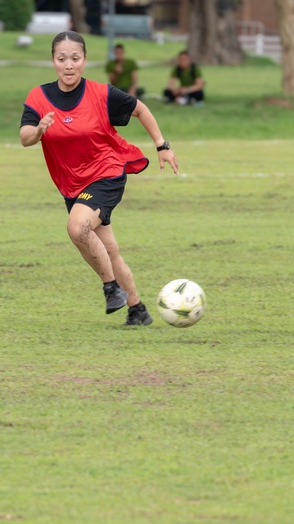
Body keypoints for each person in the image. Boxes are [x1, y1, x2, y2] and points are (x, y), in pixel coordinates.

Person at [20, 31, 179, 326]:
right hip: (73, 185)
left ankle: (111, 288)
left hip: (107, 173)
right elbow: (25, 138)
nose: (69, 65)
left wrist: (161, 145)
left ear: (85, 60)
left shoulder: (101, 94)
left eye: (75, 59)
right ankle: (137, 310)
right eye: (62, 59)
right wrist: (40, 129)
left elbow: (140, 109)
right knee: (108, 249)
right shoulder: (38, 97)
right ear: (53, 61)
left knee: (77, 228)